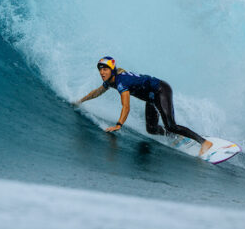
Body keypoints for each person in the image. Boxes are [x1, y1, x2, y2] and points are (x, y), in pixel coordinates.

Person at [74, 56, 214, 157]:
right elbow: (97, 92)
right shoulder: (111, 81)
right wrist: (81, 100)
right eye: (100, 69)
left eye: (105, 69)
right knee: (151, 129)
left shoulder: (122, 81)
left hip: (160, 90)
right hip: (151, 97)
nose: (102, 72)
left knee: (171, 125)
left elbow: (126, 106)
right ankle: (175, 136)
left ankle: (204, 142)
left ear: (112, 69)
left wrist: (119, 124)